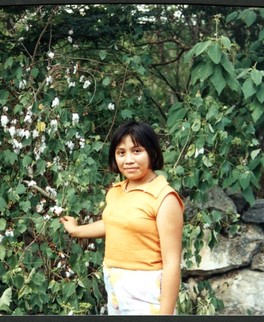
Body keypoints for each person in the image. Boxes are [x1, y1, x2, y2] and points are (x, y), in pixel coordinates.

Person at [59, 120, 184, 315]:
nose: (128, 160)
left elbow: (172, 263)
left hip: (146, 288)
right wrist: (77, 230)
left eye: (137, 151)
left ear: (152, 152)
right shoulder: (117, 191)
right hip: (114, 282)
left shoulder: (165, 198)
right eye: (121, 153)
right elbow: (114, 224)